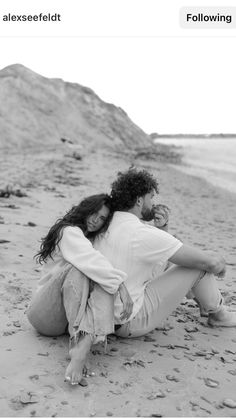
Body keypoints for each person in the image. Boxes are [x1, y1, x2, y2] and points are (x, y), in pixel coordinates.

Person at [94, 168, 236, 340]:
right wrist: (220, 264)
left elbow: (156, 257)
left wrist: (162, 230)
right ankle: (219, 315)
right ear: (139, 200)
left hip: (103, 315)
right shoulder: (140, 232)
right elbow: (209, 263)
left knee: (179, 258)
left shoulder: (105, 224)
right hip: (129, 320)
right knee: (198, 265)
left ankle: (205, 304)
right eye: (150, 198)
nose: (153, 204)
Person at [27, 194, 133, 386]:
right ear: (85, 209)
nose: (95, 220)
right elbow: (92, 261)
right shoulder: (68, 232)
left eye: (102, 218)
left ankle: (82, 345)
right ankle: (81, 346)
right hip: (42, 314)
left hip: (63, 322)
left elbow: (97, 264)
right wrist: (121, 287)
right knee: (83, 269)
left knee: (100, 276)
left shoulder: (86, 240)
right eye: (94, 213)